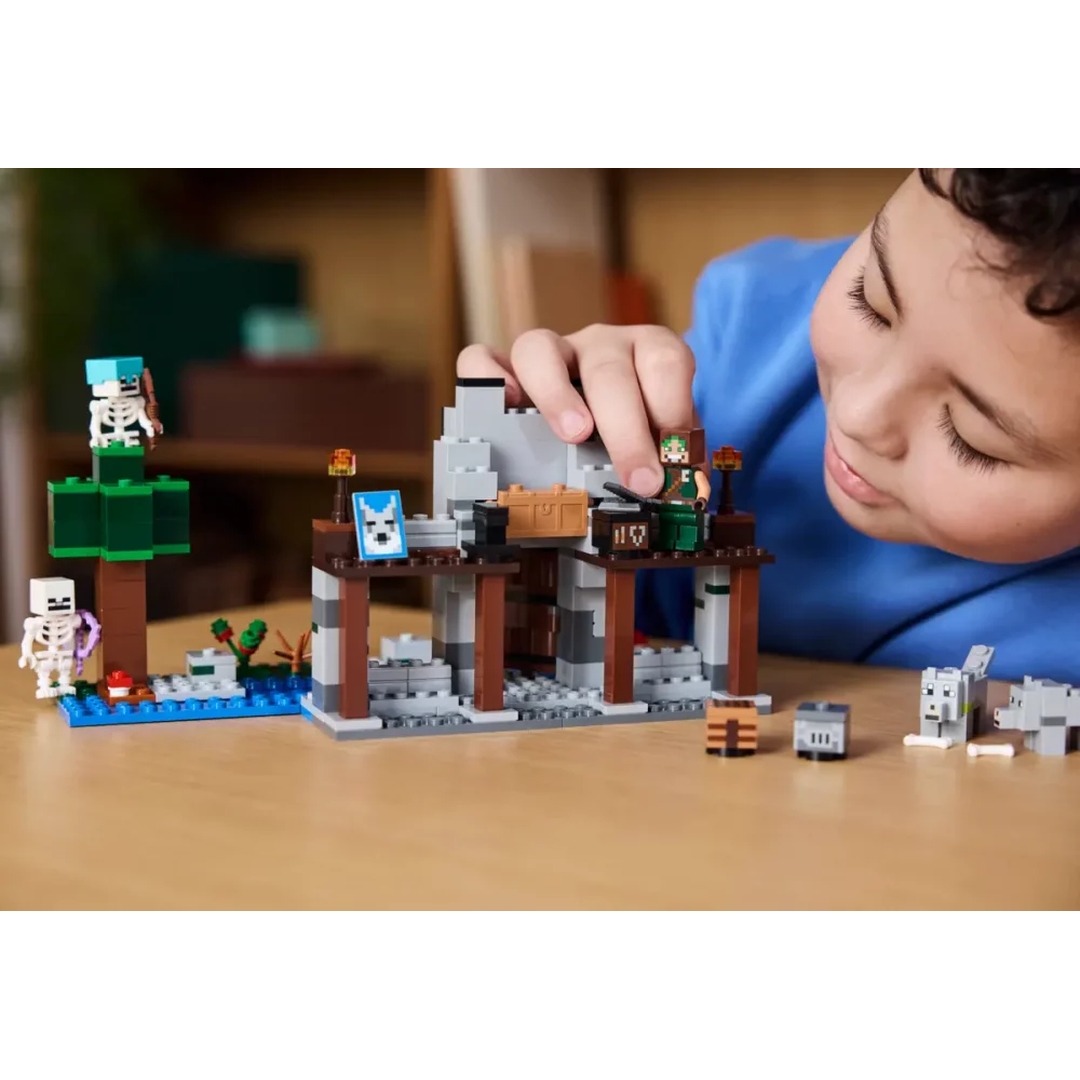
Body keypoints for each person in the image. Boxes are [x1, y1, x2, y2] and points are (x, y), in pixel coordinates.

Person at [457, 170, 1080, 684]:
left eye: (971, 437)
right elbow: (558, 620)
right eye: (870, 302)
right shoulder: (751, 329)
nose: (858, 416)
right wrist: (543, 450)